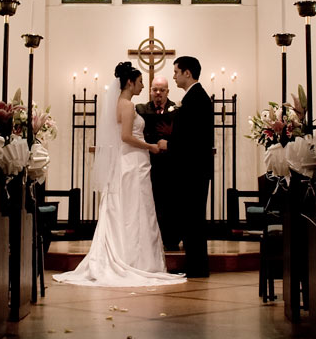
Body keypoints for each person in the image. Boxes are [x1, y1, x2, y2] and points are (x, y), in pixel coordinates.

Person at [53, 62, 184, 287]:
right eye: (140, 82)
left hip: (129, 161)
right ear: (130, 82)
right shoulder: (128, 106)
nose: (143, 86)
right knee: (134, 210)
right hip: (132, 161)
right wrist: (150, 146)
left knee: (128, 209)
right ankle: (135, 259)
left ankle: (128, 254)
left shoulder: (119, 103)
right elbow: (125, 137)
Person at [158, 56, 214, 278]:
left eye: (176, 72)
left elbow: (193, 139)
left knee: (194, 218)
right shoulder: (194, 97)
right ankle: (195, 265)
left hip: (194, 170)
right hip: (194, 169)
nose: (174, 76)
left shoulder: (196, 99)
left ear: (187, 73)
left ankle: (198, 268)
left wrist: (168, 144)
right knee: (192, 218)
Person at [136, 75, 179, 251]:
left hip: (170, 164)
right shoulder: (141, 109)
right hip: (148, 162)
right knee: (149, 200)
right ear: (150, 91)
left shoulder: (176, 110)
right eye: (155, 89)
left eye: (162, 90)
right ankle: (148, 240)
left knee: (170, 202)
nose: (158, 93)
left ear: (168, 91)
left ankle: (170, 239)